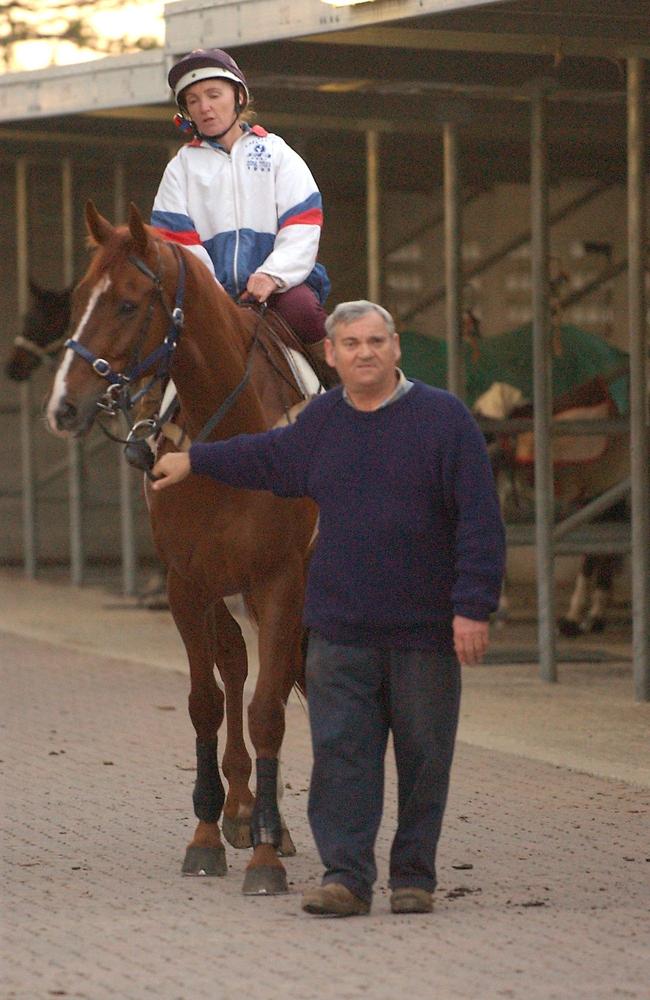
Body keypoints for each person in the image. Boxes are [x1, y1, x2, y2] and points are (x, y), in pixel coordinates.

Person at [151, 300, 506, 918]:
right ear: (333, 355)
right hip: (340, 626)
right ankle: (346, 876)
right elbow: (269, 457)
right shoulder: (322, 422)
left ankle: (414, 875)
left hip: (423, 628)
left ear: (395, 349)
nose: (364, 352)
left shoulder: (444, 420)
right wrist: (195, 460)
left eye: (375, 341)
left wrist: (472, 608)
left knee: (423, 756)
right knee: (342, 753)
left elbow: (480, 520)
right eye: (351, 344)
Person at [151, 47, 333, 373]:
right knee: (158, 335)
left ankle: (345, 396)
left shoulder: (278, 153)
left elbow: (302, 222)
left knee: (305, 312)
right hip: (207, 298)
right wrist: (211, 293)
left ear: (237, 97)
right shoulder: (180, 168)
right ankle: (149, 416)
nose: (204, 107)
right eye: (193, 100)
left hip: (277, 290)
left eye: (213, 95)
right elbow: (174, 240)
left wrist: (271, 276)